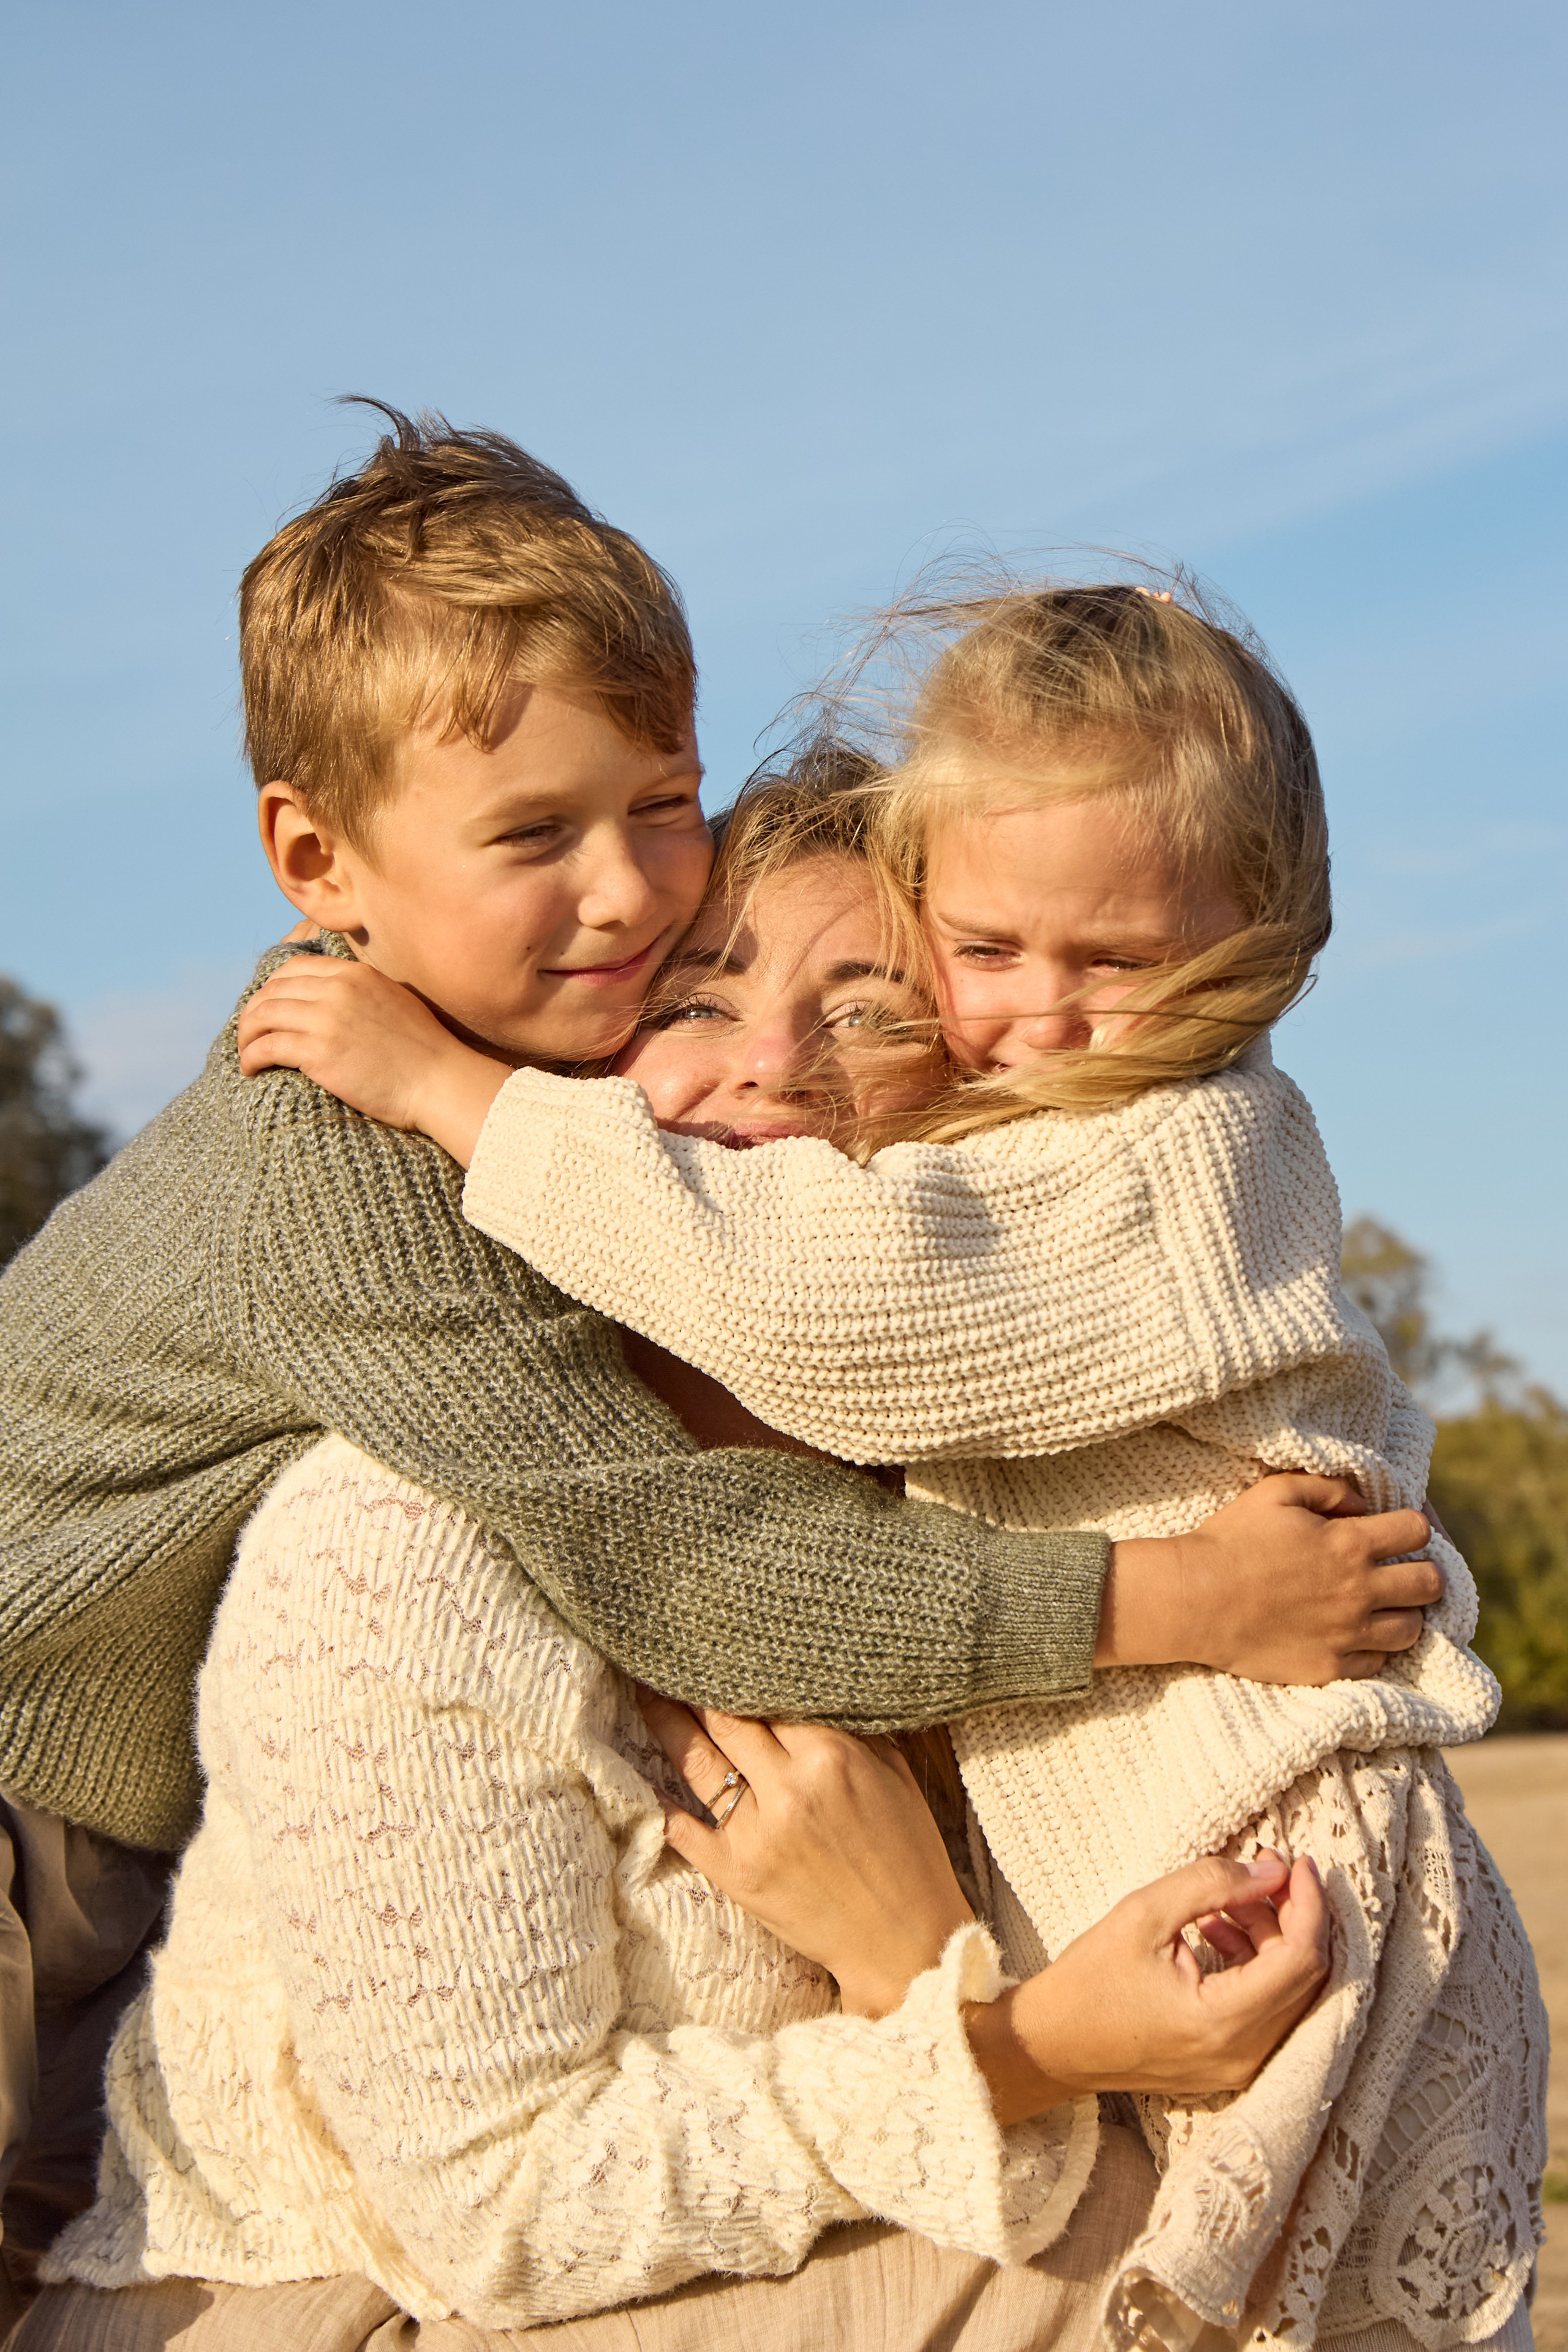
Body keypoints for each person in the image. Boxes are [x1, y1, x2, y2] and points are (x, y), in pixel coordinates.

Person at [0, 422, 1429, 2316]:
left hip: (148, 1796)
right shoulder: (344, 1151)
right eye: (534, 837)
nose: (628, 895)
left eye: (661, 805)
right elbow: (668, 1547)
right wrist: (1174, 1595)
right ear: (313, 860)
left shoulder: (551, 1095)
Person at [243, 598, 1549, 2350]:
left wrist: (943, 1993)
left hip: (1292, 1871)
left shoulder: (1093, 1220)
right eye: (698, 1000)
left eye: (866, 1010)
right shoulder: (420, 1531)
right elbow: (508, 2212)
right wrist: (991, 2023)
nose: (772, 1068)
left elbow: (821, 1290)